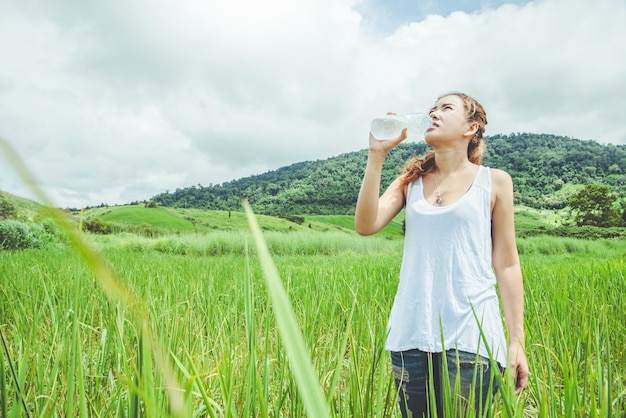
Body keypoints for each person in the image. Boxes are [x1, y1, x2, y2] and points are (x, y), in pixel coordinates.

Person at [355, 92, 529, 417]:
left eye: (446, 108)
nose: (433, 113)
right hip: (410, 335)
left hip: (471, 337)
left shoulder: (495, 182)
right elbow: (366, 224)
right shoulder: (410, 181)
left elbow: (506, 263)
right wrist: (376, 156)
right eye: (432, 109)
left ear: (470, 127)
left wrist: (516, 340)